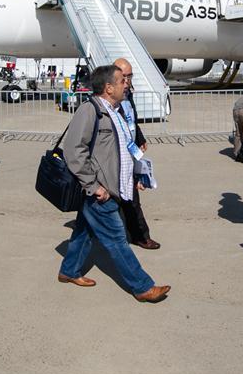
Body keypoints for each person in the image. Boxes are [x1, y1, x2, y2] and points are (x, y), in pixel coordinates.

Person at [57, 65, 170, 303]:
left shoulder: (116, 110)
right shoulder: (90, 110)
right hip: (101, 190)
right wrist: (93, 185)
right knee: (117, 239)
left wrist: (136, 176)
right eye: (122, 80)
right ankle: (142, 287)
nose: (126, 83)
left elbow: (123, 148)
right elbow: (74, 150)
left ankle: (69, 271)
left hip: (114, 186)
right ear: (108, 88)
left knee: (85, 231)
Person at [113, 57, 159, 250]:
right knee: (117, 199)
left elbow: (132, 119)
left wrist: (139, 138)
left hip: (129, 151)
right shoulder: (108, 97)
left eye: (130, 76)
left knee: (130, 196)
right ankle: (138, 235)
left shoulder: (127, 93)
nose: (128, 81)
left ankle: (139, 235)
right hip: (114, 155)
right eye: (124, 77)